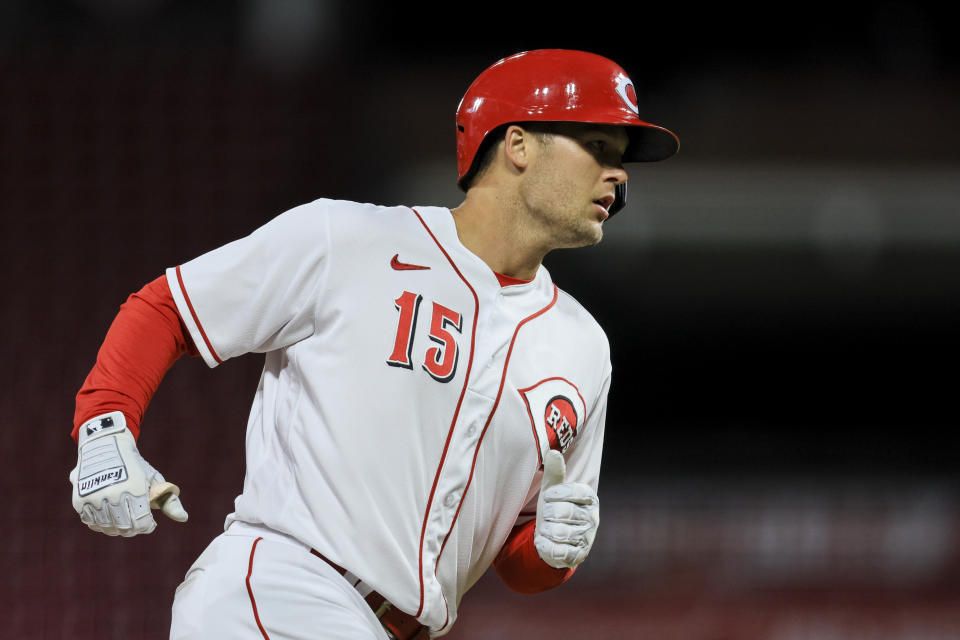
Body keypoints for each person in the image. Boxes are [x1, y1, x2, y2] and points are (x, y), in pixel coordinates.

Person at [69, 49, 678, 639]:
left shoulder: (582, 347)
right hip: (283, 591)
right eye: (598, 147)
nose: (618, 173)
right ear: (517, 144)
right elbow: (169, 307)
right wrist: (104, 427)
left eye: (619, 156)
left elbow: (520, 560)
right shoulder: (349, 239)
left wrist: (551, 554)